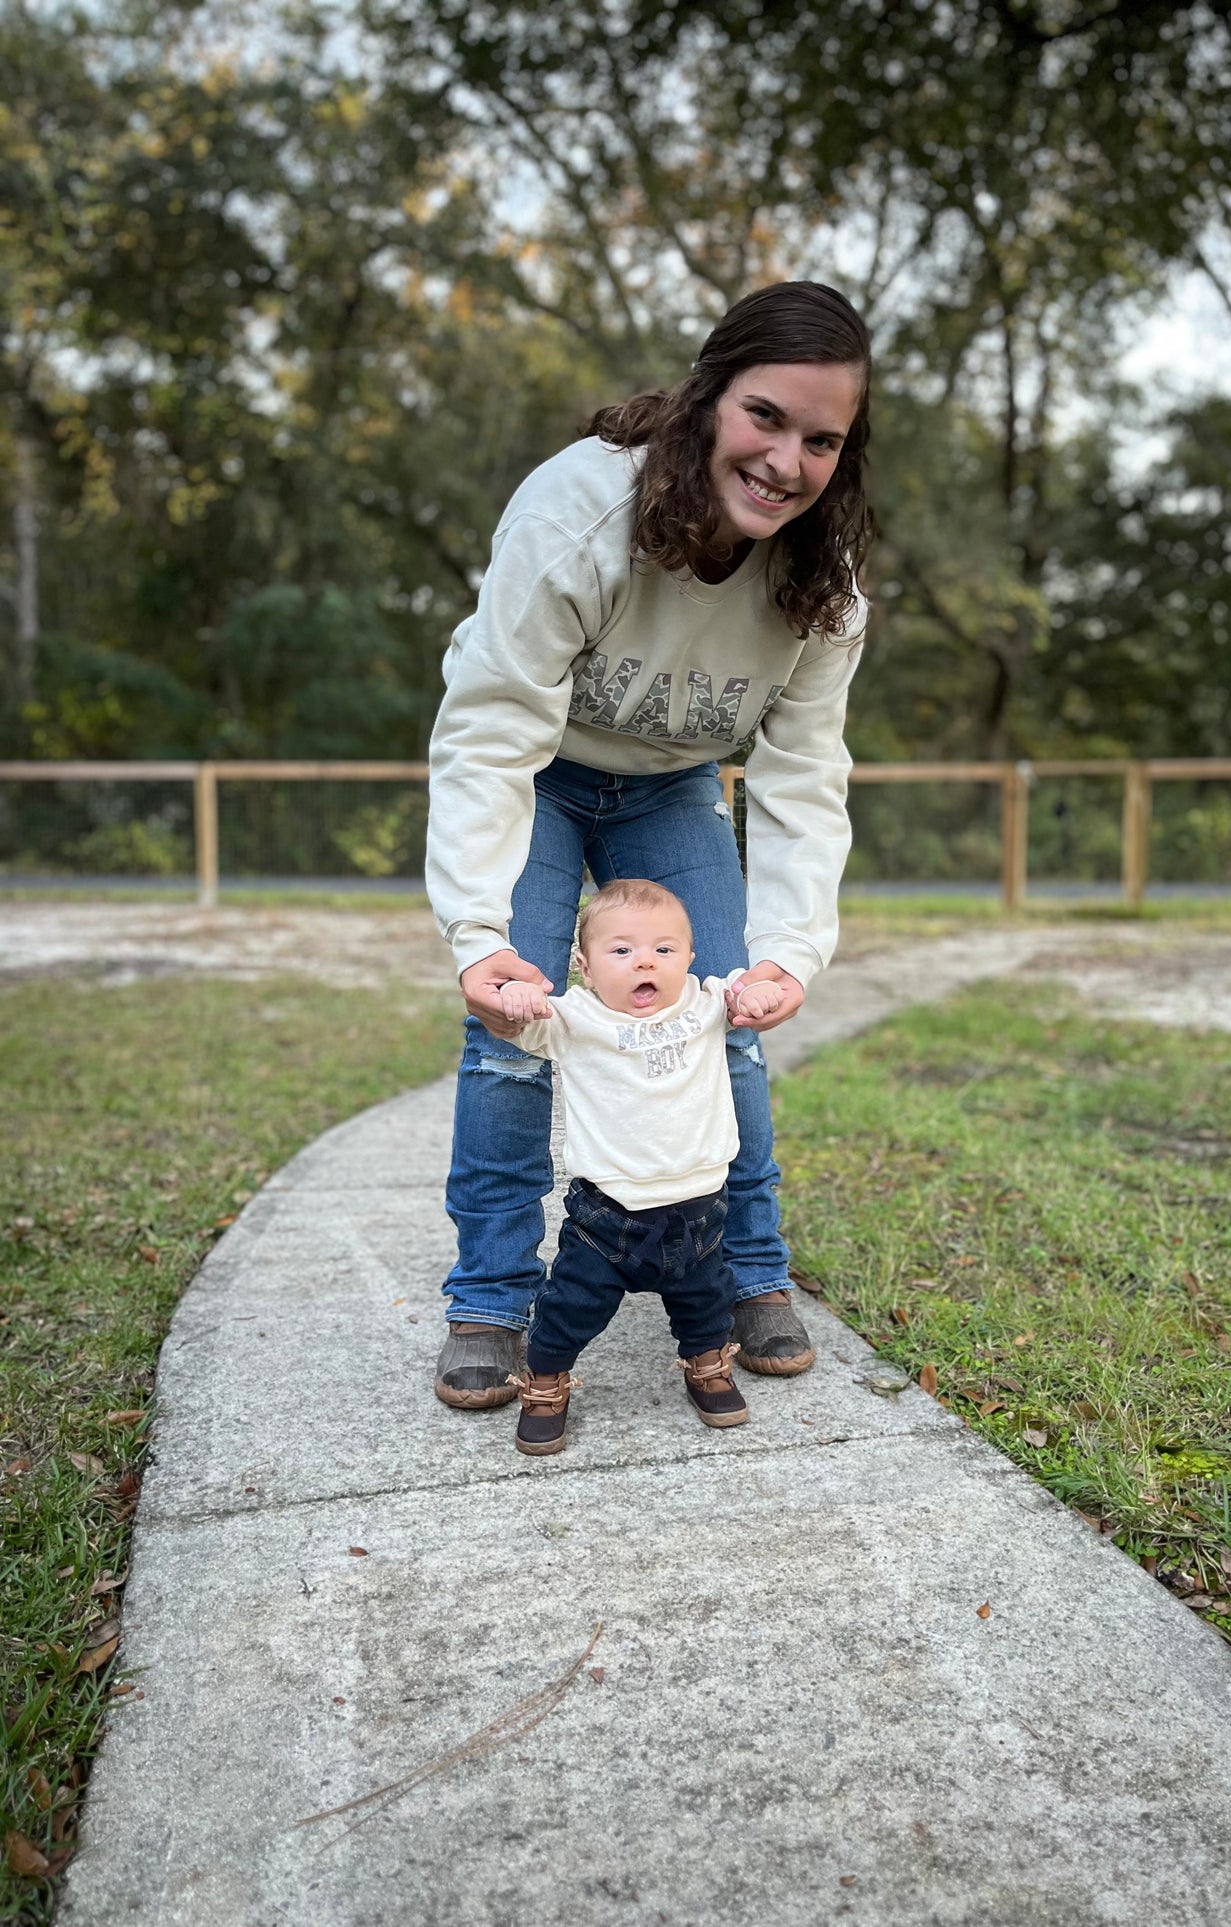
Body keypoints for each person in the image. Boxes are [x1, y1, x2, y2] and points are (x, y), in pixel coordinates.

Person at [426, 279, 875, 1411]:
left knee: (726, 1015)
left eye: (821, 439)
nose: (785, 459)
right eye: (764, 416)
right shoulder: (578, 512)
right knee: (511, 1035)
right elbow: (488, 733)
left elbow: (803, 778)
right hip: (538, 773)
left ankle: (747, 1275)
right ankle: (488, 1299)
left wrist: (787, 950)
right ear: (708, 394)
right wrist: (478, 933)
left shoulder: (821, 590)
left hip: (673, 786)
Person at [498, 878, 786, 1455]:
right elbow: (513, 1028)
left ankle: (707, 1364)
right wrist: (513, 1002)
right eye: (621, 950)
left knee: (706, 1301)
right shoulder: (573, 1018)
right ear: (583, 964)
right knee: (569, 1307)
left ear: (689, 957)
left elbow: (750, 995)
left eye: (663, 949)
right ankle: (546, 1381)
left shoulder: (708, 1004)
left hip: (700, 1210)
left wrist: (757, 997)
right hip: (609, 1216)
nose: (644, 963)